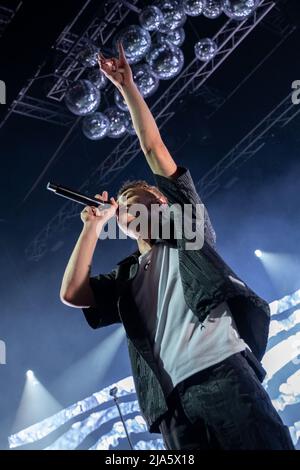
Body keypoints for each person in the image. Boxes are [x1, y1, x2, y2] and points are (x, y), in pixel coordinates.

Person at [60, 42, 294, 450]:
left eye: (136, 204)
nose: (127, 214)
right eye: (123, 212)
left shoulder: (187, 229)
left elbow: (154, 150)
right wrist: (93, 228)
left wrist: (127, 87)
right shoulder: (128, 275)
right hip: (171, 408)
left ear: (163, 203)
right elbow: (72, 293)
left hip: (222, 373)